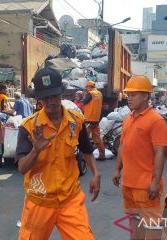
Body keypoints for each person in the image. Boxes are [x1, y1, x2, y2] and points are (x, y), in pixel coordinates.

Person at [15, 67, 101, 240]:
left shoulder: (76, 121)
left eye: (54, 96)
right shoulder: (29, 127)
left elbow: (86, 150)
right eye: (45, 98)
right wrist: (35, 150)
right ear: (39, 99)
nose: (51, 102)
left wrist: (96, 173)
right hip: (39, 201)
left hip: (70, 199)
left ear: (61, 94)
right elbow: (22, 168)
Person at [113, 75, 167, 240]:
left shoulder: (156, 120)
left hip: (145, 185)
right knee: (134, 221)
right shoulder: (128, 119)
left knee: (151, 224)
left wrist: (155, 181)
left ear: (146, 96)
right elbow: (123, 146)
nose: (129, 98)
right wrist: (117, 170)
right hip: (129, 183)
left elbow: (160, 152)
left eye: (134, 94)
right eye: (128, 95)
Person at [82, 81, 105, 160]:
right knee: (97, 138)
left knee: (85, 138)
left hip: (88, 119)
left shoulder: (90, 94)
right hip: (96, 120)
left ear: (89, 87)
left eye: (86, 88)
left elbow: (83, 102)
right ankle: (102, 155)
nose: (86, 89)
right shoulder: (99, 93)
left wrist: (84, 95)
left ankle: (84, 157)